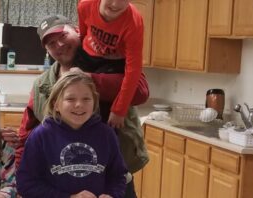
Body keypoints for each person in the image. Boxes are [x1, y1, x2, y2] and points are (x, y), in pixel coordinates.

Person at [9, 14, 149, 198]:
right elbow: (26, 135)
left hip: (114, 181)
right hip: (59, 186)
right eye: (51, 43)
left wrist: (89, 79)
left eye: (63, 36)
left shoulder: (107, 59)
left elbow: (140, 91)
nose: (59, 45)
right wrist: (21, 184)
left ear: (77, 30)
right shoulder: (42, 85)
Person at [16, 71, 128, 198]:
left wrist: (112, 195)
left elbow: (118, 177)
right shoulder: (41, 135)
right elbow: (26, 184)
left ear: (94, 102)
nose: (79, 104)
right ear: (56, 104)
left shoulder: (107, 134)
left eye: (86, 99)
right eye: (70, 99)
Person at [76, 0, 146, 129]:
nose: (115, 5)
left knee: (106, 117)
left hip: (113, 63)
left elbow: (133, 69)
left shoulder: (134, 22)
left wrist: (119, 110)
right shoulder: (85, 5)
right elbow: (83, 33)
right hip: (87, 56)